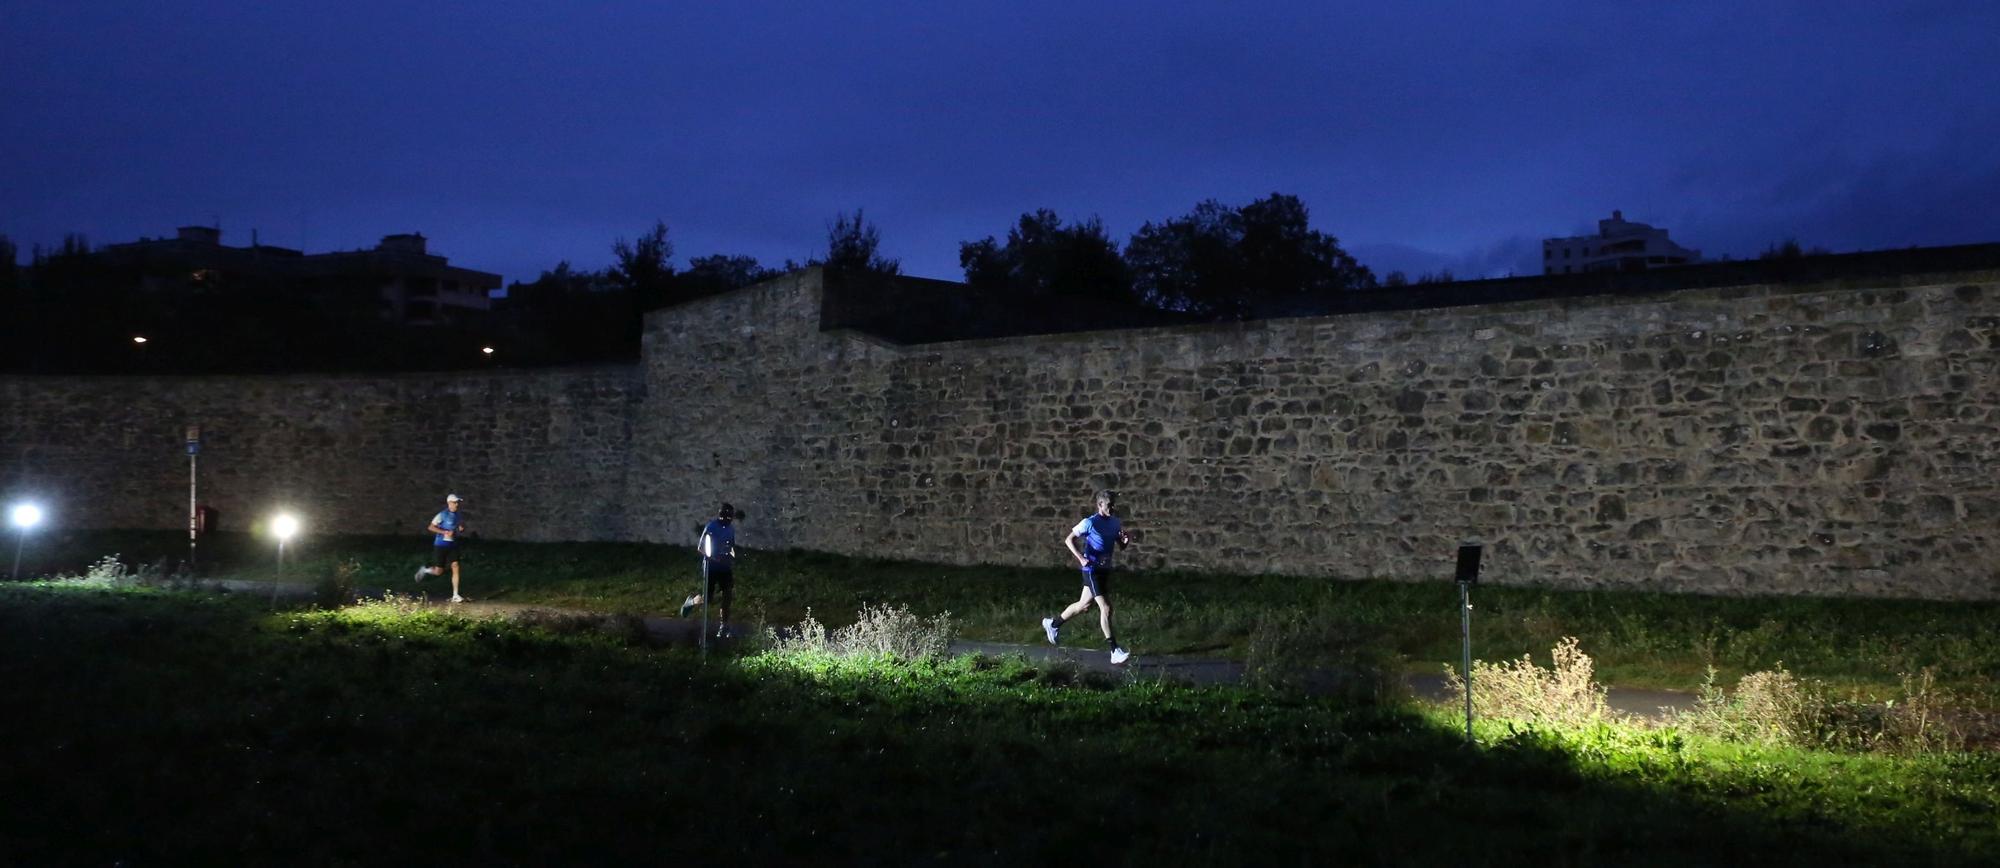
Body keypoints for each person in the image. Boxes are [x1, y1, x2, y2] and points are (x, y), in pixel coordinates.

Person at [1042, 489, 1132, 665]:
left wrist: (1125, 543)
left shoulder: (1115, 523)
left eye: (1114, 504)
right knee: (1106, 608)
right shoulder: (1089, 522)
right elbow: (1069, 540)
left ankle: (1053, 625)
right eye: (1109, 505)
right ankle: (1114, 650)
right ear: (1100, 505)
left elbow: (1119, 545)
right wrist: (1081, 558)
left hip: (1105, 569)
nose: (1112, 508)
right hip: (1091, 570)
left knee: (1083, 605)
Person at [680, 503, 738, 637]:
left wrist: (732, 555)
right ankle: (691, 602)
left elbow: (731, 546)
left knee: (727, 595)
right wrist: (714, 558)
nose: (730, 520)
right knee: (707, 599)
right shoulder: (711, 527)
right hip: (711, 568)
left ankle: (724, 625)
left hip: (725, 567)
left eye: (731, 517)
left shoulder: (730, 529)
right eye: (728, 517)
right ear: (722, 516)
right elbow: (701, 548)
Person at [413, 493, 467, 603]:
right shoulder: (442, 514)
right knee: (439, 571)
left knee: (455, 566)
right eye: (455, 502)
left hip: (453, 545)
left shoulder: (458, 514)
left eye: (458, 502)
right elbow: (431, 527)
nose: (457, 504)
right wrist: (444, 532)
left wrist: (460, 527)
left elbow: (458, 524)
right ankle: (425, 570)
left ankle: (455, 595)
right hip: (441, 545)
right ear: (449, 503)